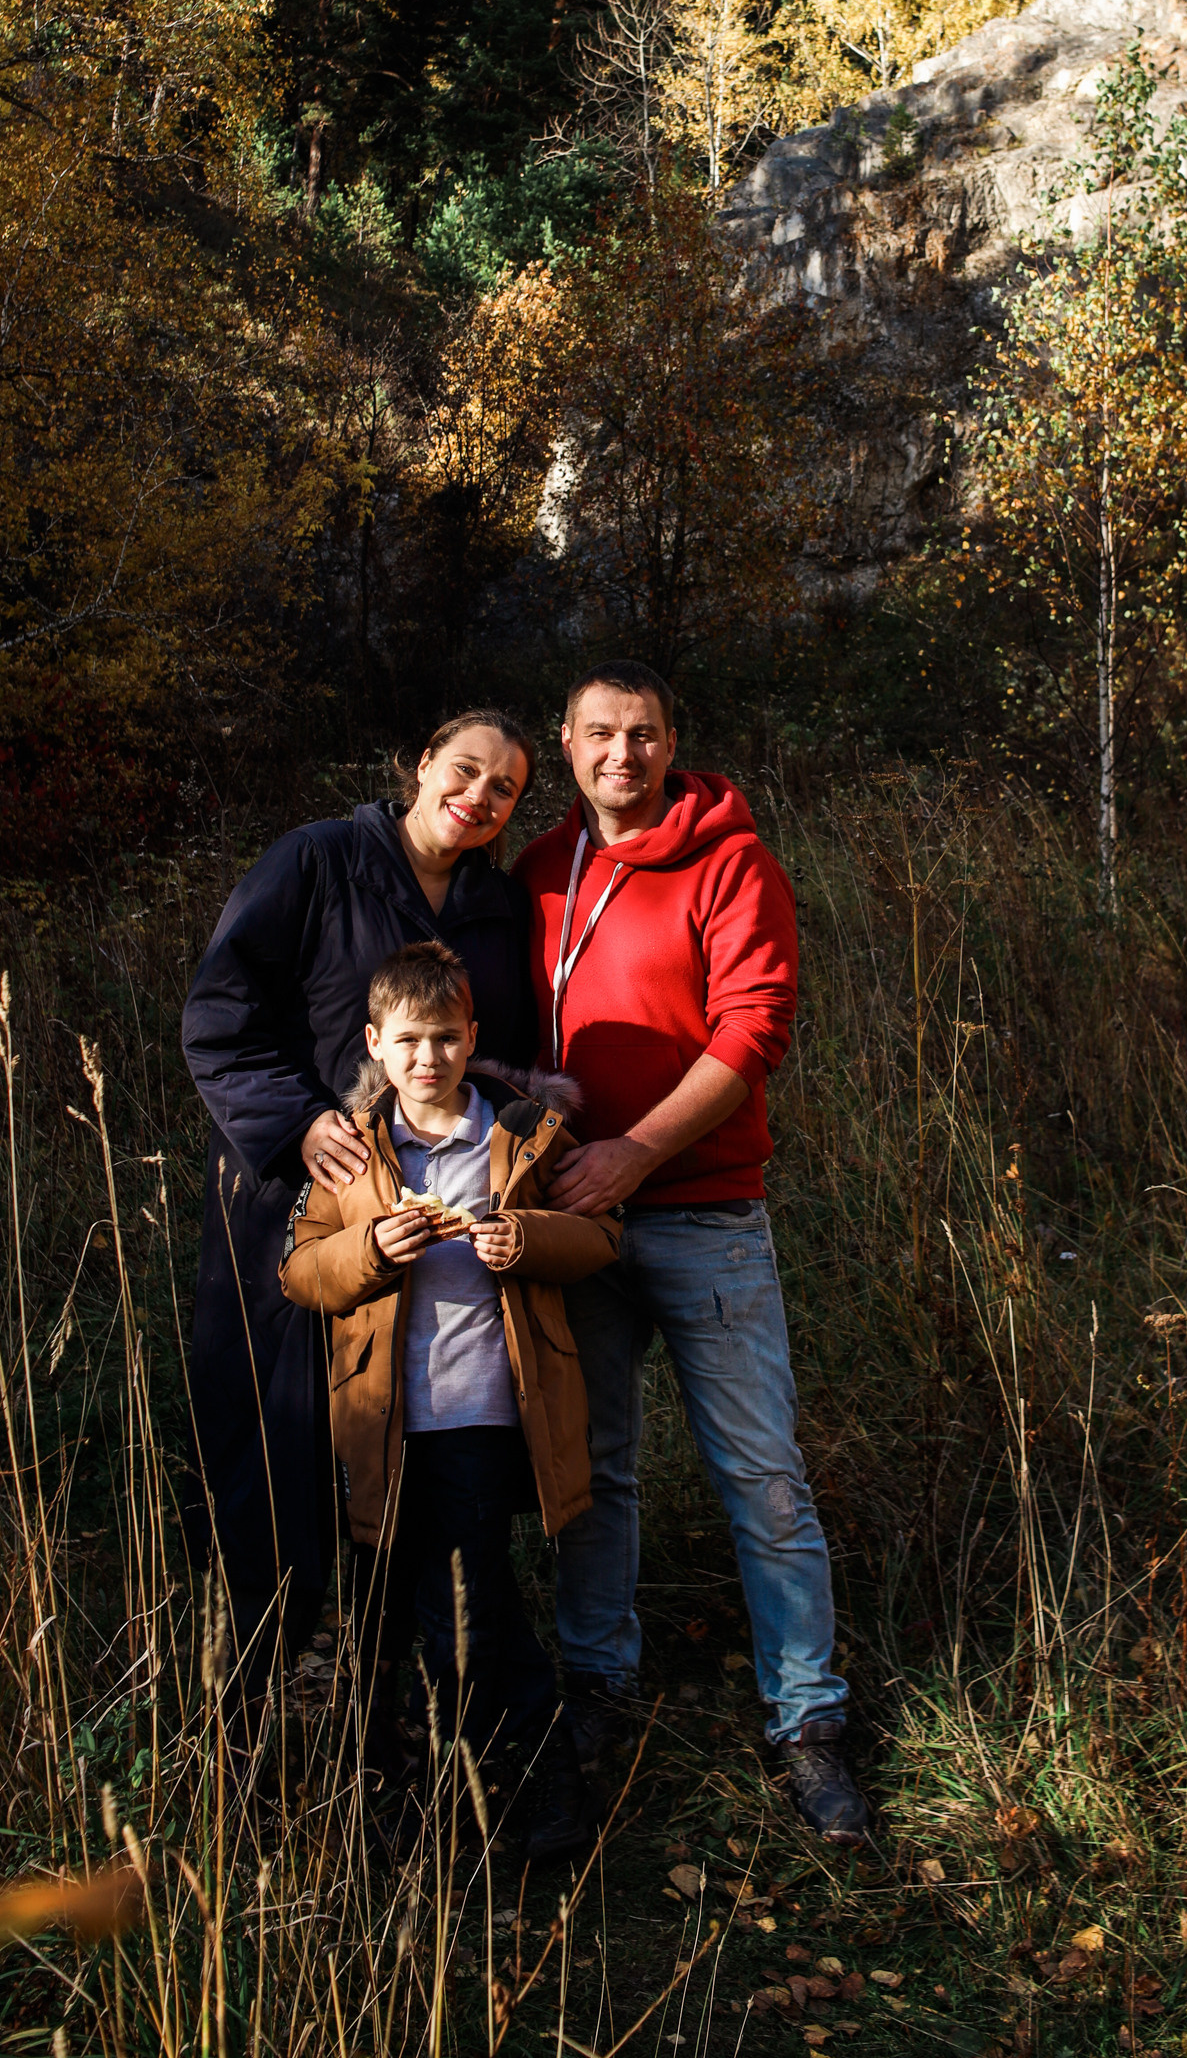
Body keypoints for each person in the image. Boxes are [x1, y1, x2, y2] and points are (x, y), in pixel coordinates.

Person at [516, 659, 869, 1842]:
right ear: (565, 742)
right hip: (576, 1224)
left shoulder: (731, 863)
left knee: (760, 1475)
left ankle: (806, 1718)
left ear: (672, 745)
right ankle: (595, 1685)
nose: (621, 753)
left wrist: (636, 1154)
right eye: (600, 733)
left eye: (644, 734)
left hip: (703, 1215)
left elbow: (754, 1028)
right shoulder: (538, 872)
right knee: (593, 1469)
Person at [181, 711, 537, 1692]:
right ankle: (261, 1679)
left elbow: (506, 1054)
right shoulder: (318, 861)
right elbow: (218, 1016)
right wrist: (297, 1122)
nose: (478, 796)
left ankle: (395, 1681)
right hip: (297, 1197)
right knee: (281, 1441)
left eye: (503, 788)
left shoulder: (496, 905)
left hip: (436, 1220)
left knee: (410, 1445)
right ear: (421, 764)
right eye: (464, 770)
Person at [279, 937, 615, 1859]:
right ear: (375, 1045)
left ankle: (490, 1796)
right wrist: (372, 1250)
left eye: (445, 1038)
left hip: (482, 1415)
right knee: (426, 1602)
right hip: (384, 1421)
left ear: (472, 1036)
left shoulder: (520, 1134)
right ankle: (476, 1788)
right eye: (408, 1040)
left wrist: (526, 1239)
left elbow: (602, 1237)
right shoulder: (353, 1153)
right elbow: (301, 1271)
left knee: (460, 1606)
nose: (427, 1057)